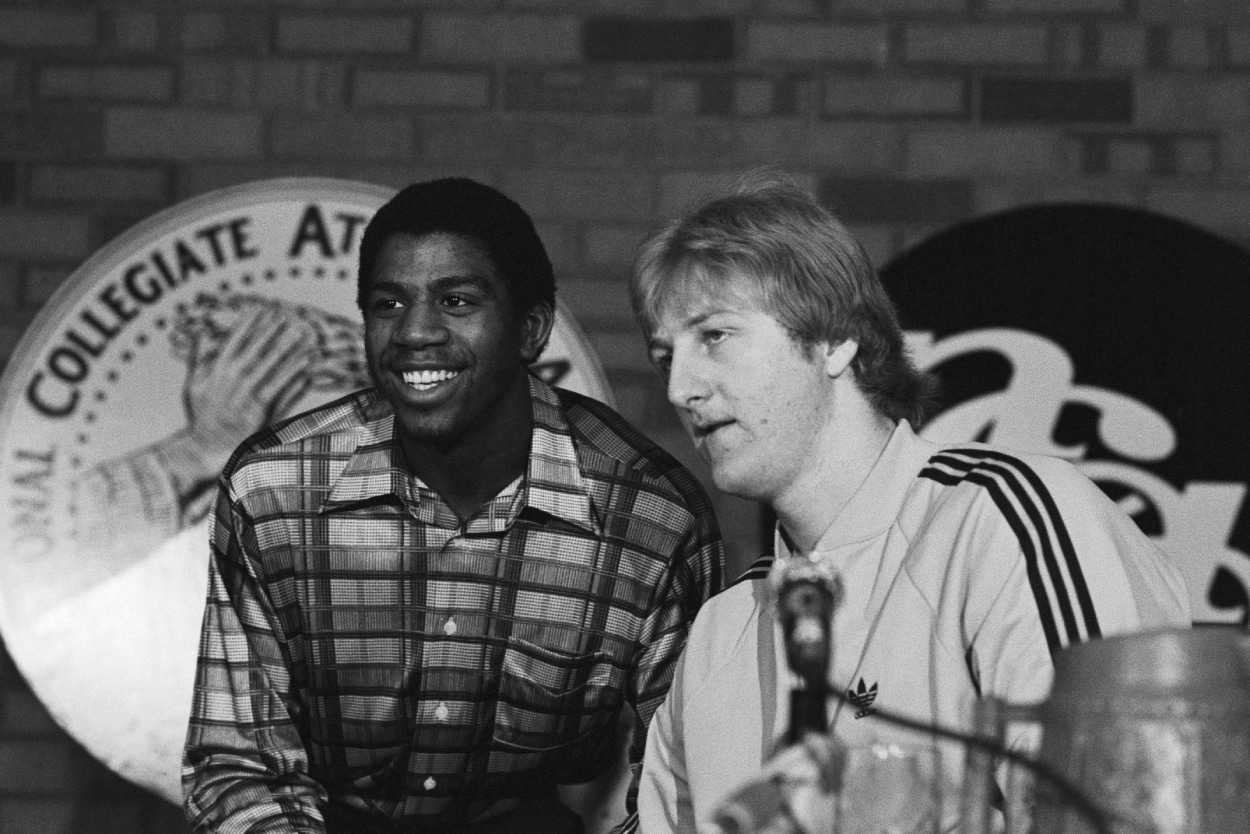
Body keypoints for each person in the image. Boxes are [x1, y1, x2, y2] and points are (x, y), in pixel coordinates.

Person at [628, 173, 1191, 833]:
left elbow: (1120, 811)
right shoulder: (719, 638)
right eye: (665, 357)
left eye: (715, 336)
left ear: (836, 339)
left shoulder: (1005, 521)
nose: (681, 387)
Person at [182, 177, 726, 834]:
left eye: (456, 300)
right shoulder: (273, 494)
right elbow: (239, 763)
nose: (414, 332)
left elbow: (686, 788)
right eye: (387, 304)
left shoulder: (649, 519)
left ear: (531, 329)